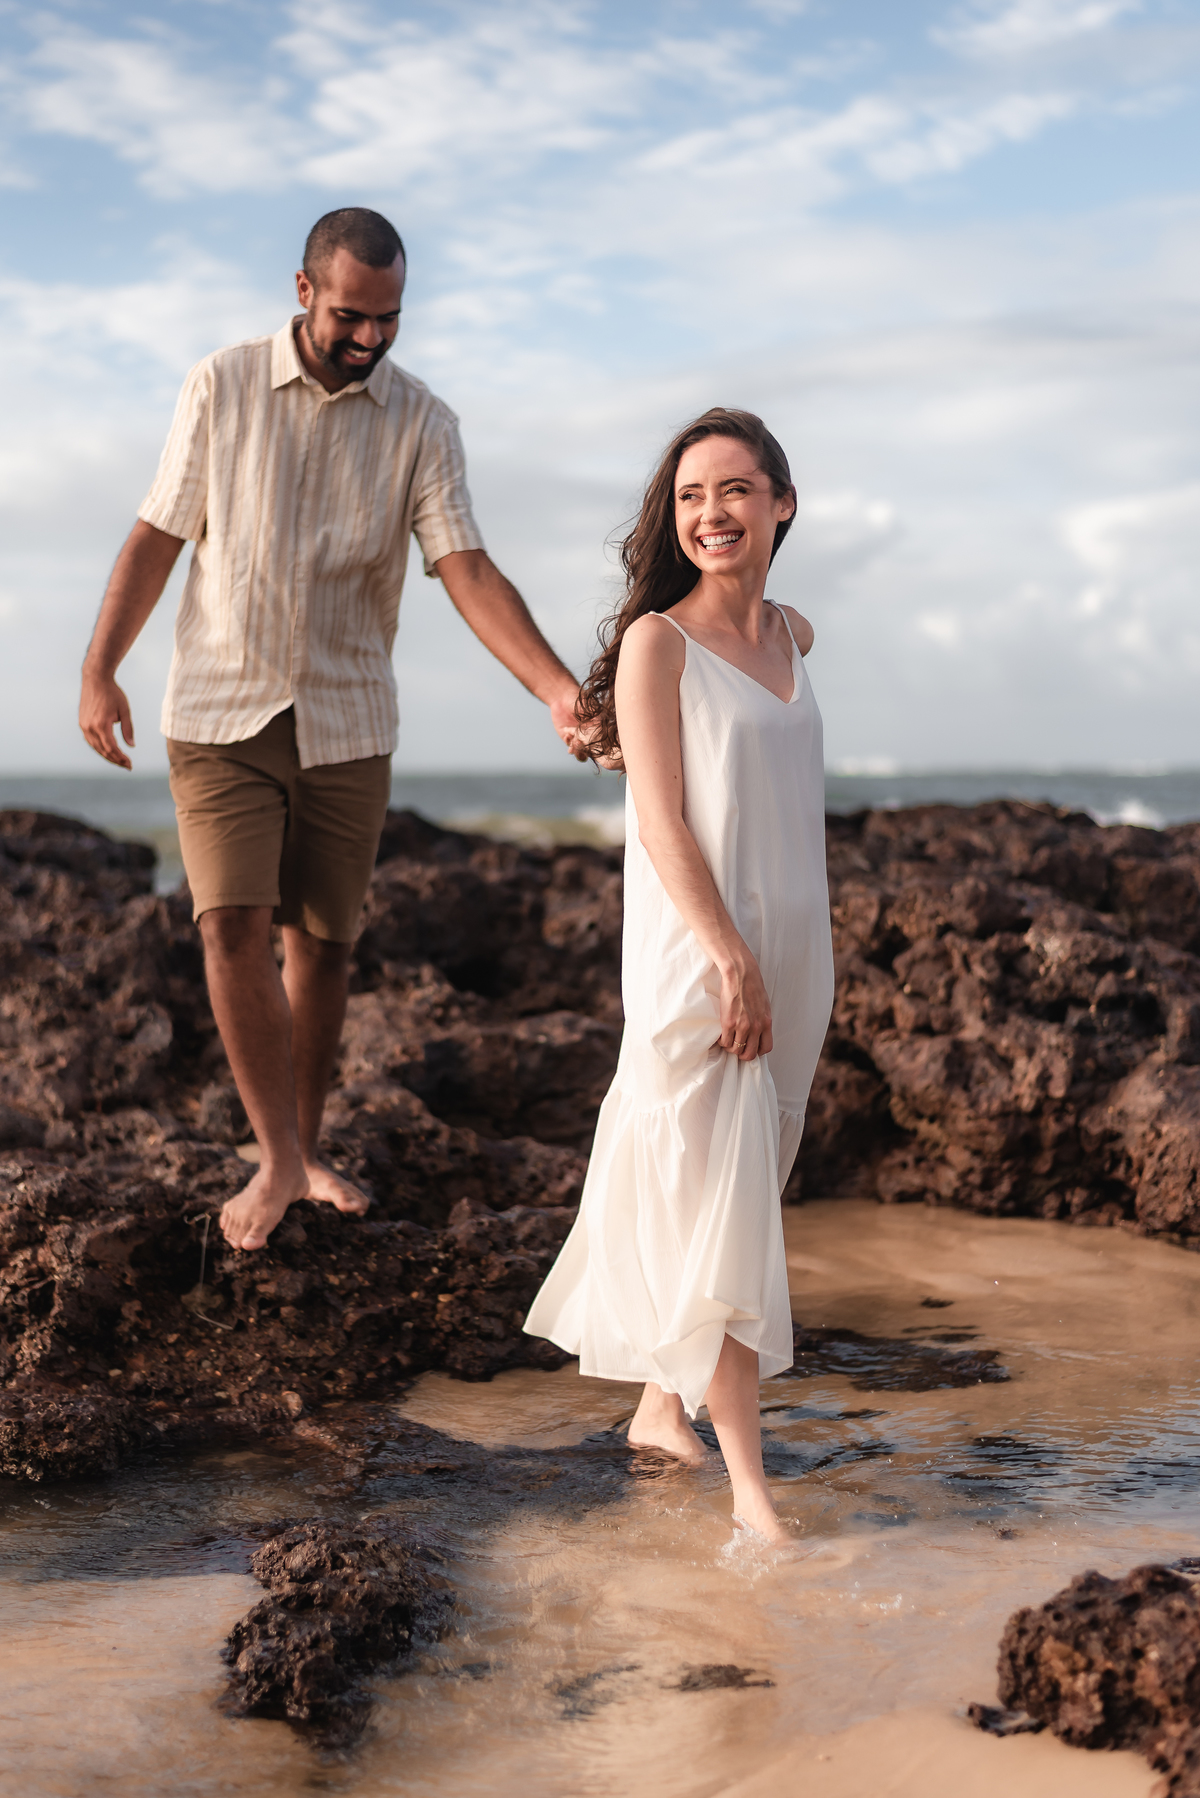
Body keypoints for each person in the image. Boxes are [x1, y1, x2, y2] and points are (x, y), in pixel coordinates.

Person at [79, 207, 585, 1255]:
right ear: (303, 290)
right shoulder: (219, 385)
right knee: (229, 921)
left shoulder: (423, 421)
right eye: (352, 315)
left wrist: (555, 688)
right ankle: (275, 1159)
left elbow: (466, 568)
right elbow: (156, 534)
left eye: (389, 320)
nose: (370, 339)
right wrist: (99, 669)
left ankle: (306, 1150)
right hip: (220, 706)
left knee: (324, 944)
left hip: (349, 716)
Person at [523, 407, 834, 1543]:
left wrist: (772, 957)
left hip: (801, 957)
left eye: (737, 491)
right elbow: (659, 820)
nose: (713, 513)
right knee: (730, 1215)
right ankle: (755, 1498)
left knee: (739, 1199)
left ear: (780, 504)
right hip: (705, 960)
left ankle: (662, 1408)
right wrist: (727, 953)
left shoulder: (794, 633)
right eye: (693, 496)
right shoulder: (660, 642)